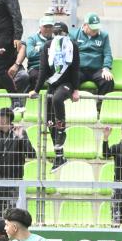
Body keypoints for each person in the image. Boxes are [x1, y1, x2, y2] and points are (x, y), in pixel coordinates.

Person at [29, 21, 80, 172]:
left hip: (67, 84)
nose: (58, 36)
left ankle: (62, 132)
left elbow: (76, 68)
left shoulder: (73, 46)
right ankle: (59, 155)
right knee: (50, 121)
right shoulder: (47, 46)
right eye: (55, 33)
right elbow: (43, 69)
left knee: (57, 99)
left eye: (61, 33)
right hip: (52, 84)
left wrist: (76, 89)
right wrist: (36, 89)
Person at [0, 107, 36, 219]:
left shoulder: (19, 133)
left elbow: (31, 154)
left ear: (4, 119)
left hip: (14, 180)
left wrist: (21, 137)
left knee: (12, 212)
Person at [69, 14, 114, 102]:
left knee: (108, 81)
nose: (95, 30)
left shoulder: (104, 36)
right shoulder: (74, 34)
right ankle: (70, 107)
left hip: (96, 70)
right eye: (92, 28)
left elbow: (108, 54)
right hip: (79, 69)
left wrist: (106, 68)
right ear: (85, 25)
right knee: (69, 79)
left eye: (97, 28)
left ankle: (101, 108)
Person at [15, 17, 53, 94]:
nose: (48, 29)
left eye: (50, 26)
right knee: (35, 77)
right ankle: (30, 100)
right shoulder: (32, 39)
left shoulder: (55, 40)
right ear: (40, 27)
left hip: (51, 68)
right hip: (36, 67)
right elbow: (30, 54)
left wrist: (39, 49)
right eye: (45, 26)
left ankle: (50, 104)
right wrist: (47, 50)